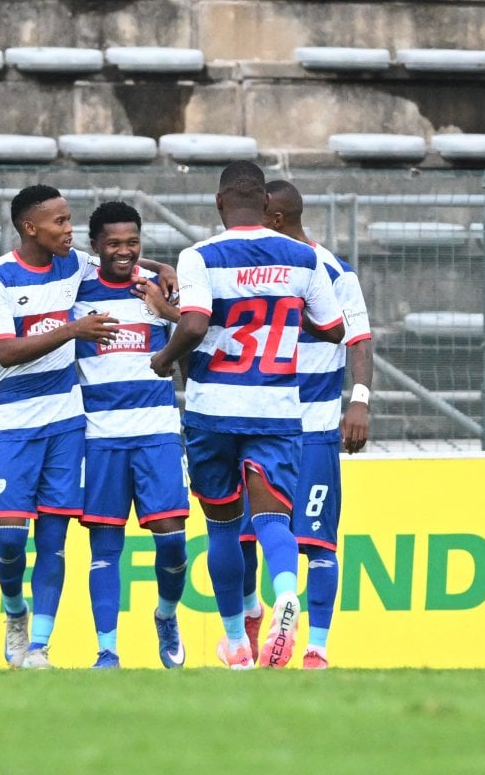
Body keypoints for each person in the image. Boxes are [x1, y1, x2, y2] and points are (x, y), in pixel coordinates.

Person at [150, 160, 346, 669]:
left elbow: (193, 325)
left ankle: (237, 640)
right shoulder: (304, 257)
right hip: (277, 408)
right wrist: (286, 308)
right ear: (266, 205)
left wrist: (164, 360)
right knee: (274, 519)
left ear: (219, 204)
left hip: (214, 408)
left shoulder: (200, 256)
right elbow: (335, 330)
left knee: (221, 528)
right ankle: (286, 594)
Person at [0, 184, 175, 669]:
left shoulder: (76, 265)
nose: (69, 230)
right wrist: (72, 330)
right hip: (12, 419)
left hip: (67, 419)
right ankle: (15, 611)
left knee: (55, 540)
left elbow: (125, 264)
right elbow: (3, 352)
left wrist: (167, 269)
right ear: (30, 227)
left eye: (69, 221)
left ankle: (39, 647)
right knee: (10, 540)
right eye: (60, 222)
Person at [239, 179, 373, 670]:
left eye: (257, 211)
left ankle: (316, 647)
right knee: (249, 538)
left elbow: (358, 338)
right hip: (255, 423)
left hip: (314, 427)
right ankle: (255, 622)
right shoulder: (252, 268)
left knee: (317, 539)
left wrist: (358, 400)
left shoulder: (334, 271)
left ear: (274, 217)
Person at [74, 201, 189, 669]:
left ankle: (165, 614)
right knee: (105, 546)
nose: (124, 252)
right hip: (99, 436)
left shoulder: (158, 289)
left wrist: (166, 301)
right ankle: (107, 650)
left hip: (157, 432)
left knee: (173, 541)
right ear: (95, 245)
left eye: (133, 243)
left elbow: (200, 334)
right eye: (114, 244)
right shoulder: (75, 287)